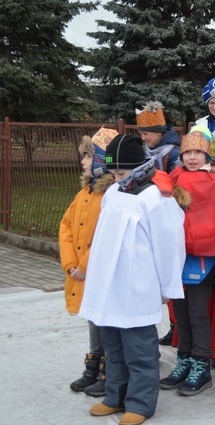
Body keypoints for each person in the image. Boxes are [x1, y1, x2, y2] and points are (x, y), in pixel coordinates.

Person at [79, 134, 186, 425]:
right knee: (113, 346)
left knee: (139, 349)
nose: (116, 177)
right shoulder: (115, 192)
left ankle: (140, 402)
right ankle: (115, 396)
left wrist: (167, 286)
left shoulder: (156, 197)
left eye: (122, 173)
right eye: (113, 173)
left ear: (140, 167)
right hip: (109, 286)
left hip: (137, 285)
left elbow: (170, 246)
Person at [159, 132, 215, 396]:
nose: (192, 157)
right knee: (181, 315)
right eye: (187, 153)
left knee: (198, 314)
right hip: (177, 258)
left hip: (205, 258)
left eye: (197, 153)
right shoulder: (172, 179)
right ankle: (184, 360)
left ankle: (201, 365)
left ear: (206, 156)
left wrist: (204, 243)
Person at [61, 128, 118, 396]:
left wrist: (84, 264)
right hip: (82, 271)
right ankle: (94, 362)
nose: (82, 162)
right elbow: (66, 226)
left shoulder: (110, 195)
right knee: (92, 319)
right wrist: (70, 263)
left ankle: (108, 365)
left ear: (99, 162)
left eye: (87, 157)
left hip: (99, 272)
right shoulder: (83, 194)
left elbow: (105, 235)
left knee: (104, 319)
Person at [135, 101, 181, 174]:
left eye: (145, 134)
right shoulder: (145, 151)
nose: (143, 138)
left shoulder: (174, 154)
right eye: (140, 134)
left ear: (159, 132)